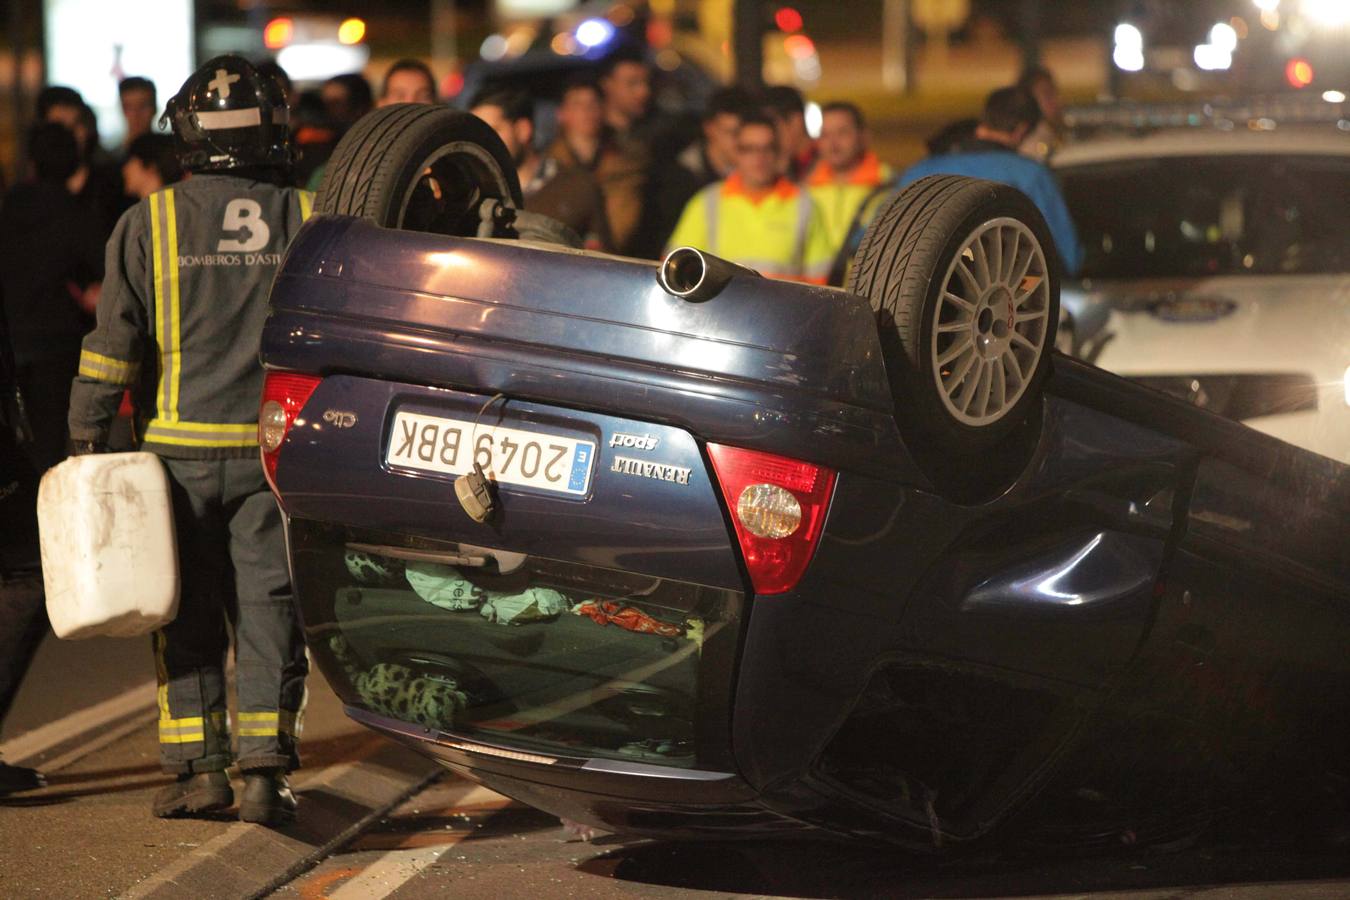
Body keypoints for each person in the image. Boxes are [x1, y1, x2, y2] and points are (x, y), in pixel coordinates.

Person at [67, 54, 312, 827]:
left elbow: (113, 346)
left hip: (172, 458)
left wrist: (84, 436)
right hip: (273, 458)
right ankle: (265, 778)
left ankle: (201, 773)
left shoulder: (150, 222)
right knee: (270, 610)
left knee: (184, 614)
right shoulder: (311, 217)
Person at [0, 122, 104, 474]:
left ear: (32, 160)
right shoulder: (71, 211)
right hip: (56, 346)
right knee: (48, 447)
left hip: (12, 339)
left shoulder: (9, 206)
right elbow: (100, 264)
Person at [897, 85, 1083, 274]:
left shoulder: (917, 173)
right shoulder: (1029, 176)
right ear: (1021, 131)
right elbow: (1067, 257)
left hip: (910, 293)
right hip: (999, 296)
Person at [666, 114, 832, 283]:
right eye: (749, 149)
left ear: (778, 152)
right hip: (721, 309)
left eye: (767, 148)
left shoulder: (805, 205)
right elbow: (676, 268)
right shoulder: (706, 202)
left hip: (782, 309)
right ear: (736, 152)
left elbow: (819, 280)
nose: (759, 157)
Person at [472, 90, 611, 250]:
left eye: (493, 131)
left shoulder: (577, 187)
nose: (483, 142)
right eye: (477, 133)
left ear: (523, 130)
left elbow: (602, 260)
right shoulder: (476, 192)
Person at [550, 76, 644, 255]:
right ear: (562, 113)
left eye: (593, 104)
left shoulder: (626, 169)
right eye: (578, 104)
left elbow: (622, 228)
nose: (587, 111)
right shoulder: (548, 169)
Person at [805, 102, 893, 257]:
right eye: (825, 135)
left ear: (863, 136)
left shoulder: (888, 183)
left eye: (842, 133)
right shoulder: (807, 188)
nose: (833, 143)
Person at [763, 84, 816, 181]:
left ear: (796, 121)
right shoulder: (779, 163)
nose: (770, 136)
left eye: (774, 127)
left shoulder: (829, 160)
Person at [1017, 65, 1063, 162]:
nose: (1057, 100)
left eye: (1056, 93)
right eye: (1047, 95)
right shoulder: (1032, 143)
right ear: (1029, 100)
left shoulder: (1052, 133)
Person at [121, 133, 183, 200]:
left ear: (150, 166)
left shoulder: (161, 206)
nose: (125, 169)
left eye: (130, 160)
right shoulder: (182, 201)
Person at [119, 76, 158, 152]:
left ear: (154, 108)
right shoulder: (112, 160)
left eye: (143, 106)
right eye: (129, 107)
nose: (136, 114)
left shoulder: (171, 155)